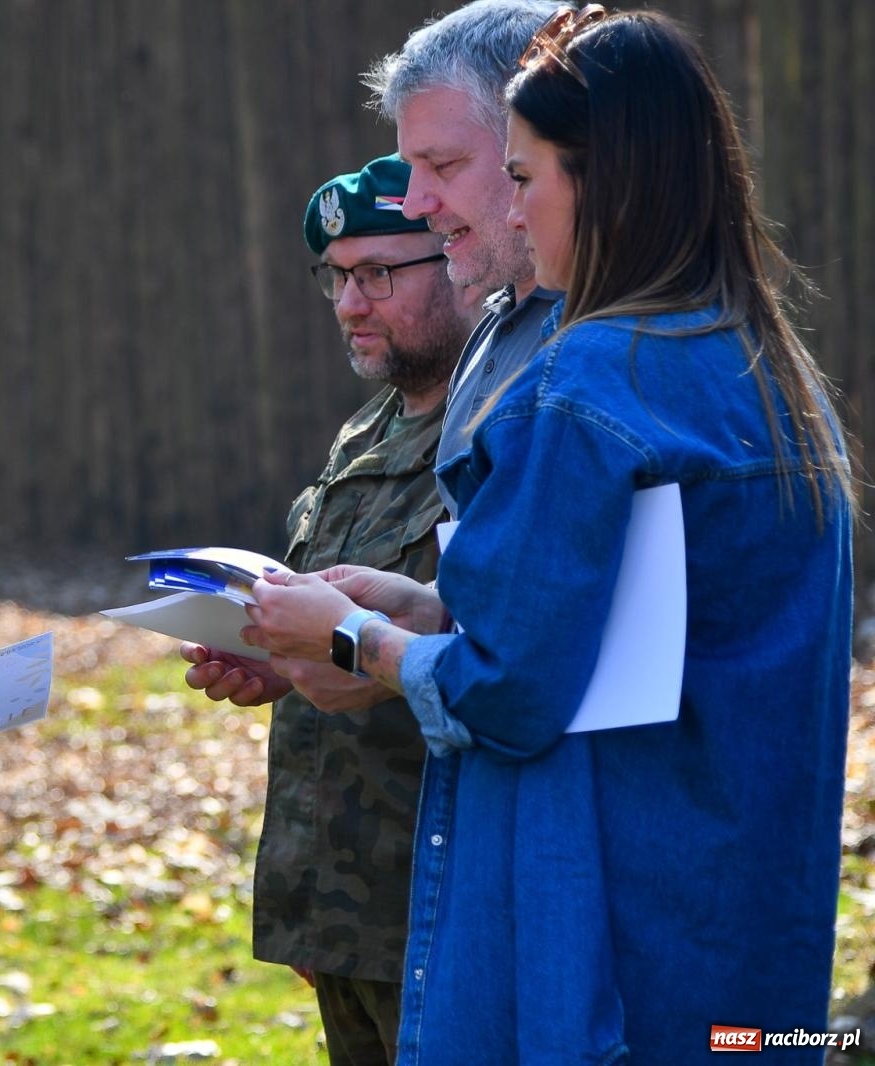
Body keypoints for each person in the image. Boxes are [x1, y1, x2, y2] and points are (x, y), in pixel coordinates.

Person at [244, 8, 854, 1063]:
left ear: (604, 179)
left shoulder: (582, 382)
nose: (507, 214)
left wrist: (358, 639)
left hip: (594, 935)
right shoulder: (763, 364)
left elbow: (513, 691)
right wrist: (433, 606)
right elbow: (633, 628)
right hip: (742, 945)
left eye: (518, 178)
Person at [182, 155, 480, 1065]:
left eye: (380, 274)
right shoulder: (369, 428)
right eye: (338, 278)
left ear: (463, 257)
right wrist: (281, 657)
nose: (352, 303)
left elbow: (496, 649)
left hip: (442, 907)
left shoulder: (498, 429)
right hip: (347, 908)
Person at [362, 0, 567, 516]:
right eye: (411, 168)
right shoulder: (491, 333)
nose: (414, 204)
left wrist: (350, 606)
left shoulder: (618, 337)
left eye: (444, 165)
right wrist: (419, 599)